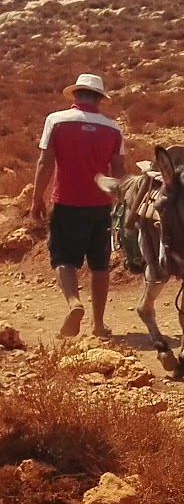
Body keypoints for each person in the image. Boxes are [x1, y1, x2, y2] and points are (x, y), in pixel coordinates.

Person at [29, 72, 126, 338]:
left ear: (75, 95)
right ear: (99, 99)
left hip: (67, 202)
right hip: (101, 204)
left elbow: (45, 162)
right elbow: (119, 170)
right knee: (100, 265)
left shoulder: (57, 120)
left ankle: (74, 303)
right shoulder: (113, 129)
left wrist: (37, 198)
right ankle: (98, 324)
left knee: (63, 258)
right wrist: (121, 204)